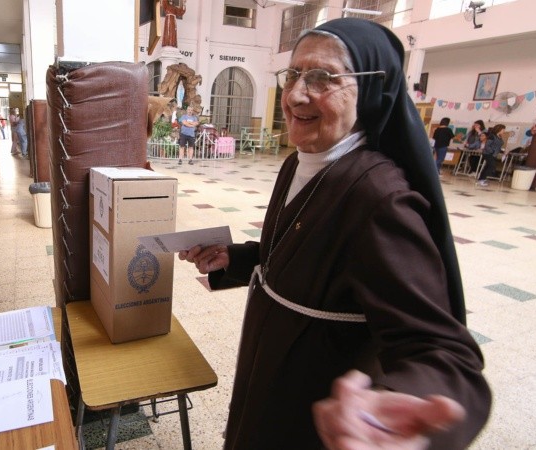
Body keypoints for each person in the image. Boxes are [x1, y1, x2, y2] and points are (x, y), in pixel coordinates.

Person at [179, 18, 490, 449]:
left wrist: (408, 404)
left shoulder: (378, 198)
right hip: (267, 375)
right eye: (292, 75)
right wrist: (238, 259)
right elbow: (302, 254)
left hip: (318, 411)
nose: (295, 95)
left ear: (373, 90)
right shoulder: (299, 161)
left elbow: (443, 353)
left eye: (323, 78)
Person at [525, 110, 536, 190]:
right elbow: (527, 133)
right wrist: (532, 131)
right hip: (534, 148)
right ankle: (528, 184)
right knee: (530, 164)